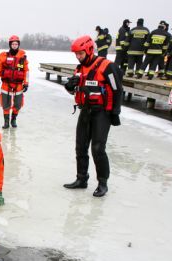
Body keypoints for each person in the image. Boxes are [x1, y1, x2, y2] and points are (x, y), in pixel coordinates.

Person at [63, 36, 123, 198]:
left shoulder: (107, 67)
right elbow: (76, 90)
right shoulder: (79, 68)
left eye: (80, 53)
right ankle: (81, 179)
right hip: (85, 111)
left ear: (89, 50)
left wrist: (115, 113)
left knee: (98, 148)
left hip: (102, 113)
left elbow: (118, 90)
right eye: (76, 54)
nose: (78, 56)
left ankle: (102, 183)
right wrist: (69, 87)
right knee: (80, 146)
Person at [0, 35, 29, 129]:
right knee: (5, 103)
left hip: (18, 84)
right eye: (12, 44)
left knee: (18, 103)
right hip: (6, 83)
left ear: (18, 45)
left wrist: (26, 83)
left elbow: (26, 71)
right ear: (10, 45)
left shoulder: (23, 57)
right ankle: (6, 122)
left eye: (16, 44)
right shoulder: (3, 56)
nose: (14, 45)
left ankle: (13, 119)